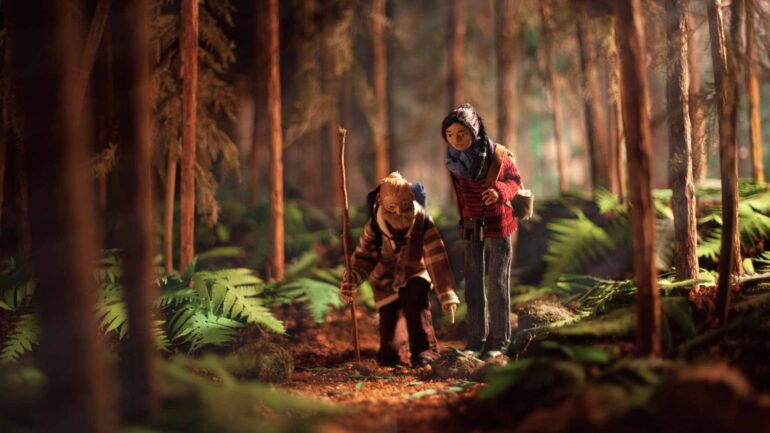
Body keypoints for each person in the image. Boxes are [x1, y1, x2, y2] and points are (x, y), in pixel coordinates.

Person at [339, 172, 460, 367]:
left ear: (411, 198)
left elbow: (435, 255)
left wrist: (446, 292)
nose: (398, 212)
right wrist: (352, 278)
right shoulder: (374, 226)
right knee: (389, 352)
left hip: (415, 273)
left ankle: (425, 350)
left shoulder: (422, 221)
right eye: (391, 206)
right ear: (381, 201)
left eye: (404, 205)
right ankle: (394, 349)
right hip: (385, 279)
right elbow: (364, 255)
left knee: (416, 303)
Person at [442, 103, 522, 359]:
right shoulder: (453, 160)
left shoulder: (498, 155)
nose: (456, 140)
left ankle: (500, 340)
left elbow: (515, 182)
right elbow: (460, 194)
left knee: (497, 282)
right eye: (450, 135)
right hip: (471, 223)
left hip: (499, 222)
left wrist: (499, 192)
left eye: (461, 133)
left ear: (474, 131)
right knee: (473, 282)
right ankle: (477, 339)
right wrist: (463, 216)